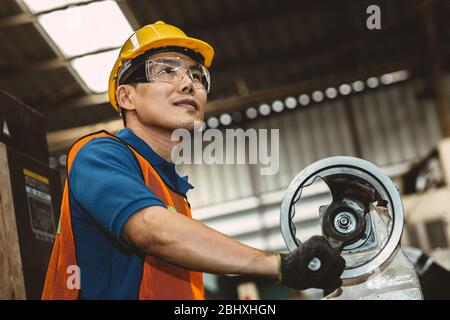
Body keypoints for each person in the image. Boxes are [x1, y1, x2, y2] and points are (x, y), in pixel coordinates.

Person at [42, 21, 345, 300]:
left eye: (196, 75)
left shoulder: (171, 192)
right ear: (126, 97)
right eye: (166, 71)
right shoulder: (98, 154)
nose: (188, 84)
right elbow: (152, 230)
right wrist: (279, 265)